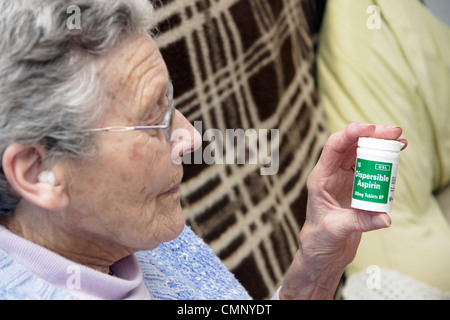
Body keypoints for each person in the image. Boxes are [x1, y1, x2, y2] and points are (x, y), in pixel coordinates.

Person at [0, 0, 406, 300]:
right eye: (152, 117)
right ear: (39, 171)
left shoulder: (134, 227)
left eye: (170, 101)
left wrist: (318, 264)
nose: (190, 138)